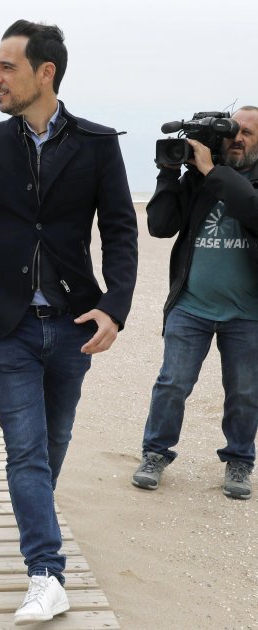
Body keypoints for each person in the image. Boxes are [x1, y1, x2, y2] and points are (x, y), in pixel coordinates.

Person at [0, 19, 138, 626]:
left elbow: (120, 229)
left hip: (74, 322)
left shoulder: (97, 144)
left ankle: (37, 525)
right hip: (6, 326)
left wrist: (115, 305)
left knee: (51, 445)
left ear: (45, 72)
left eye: (6, 66)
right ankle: (46, 572)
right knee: (26, 451)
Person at [132, 107, 258, 500]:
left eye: (248, 133)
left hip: (248, 312)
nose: (238, 138)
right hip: (191, 305)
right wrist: (168, 174)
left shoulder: (222, 177)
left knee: (245, 393)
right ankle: (155, 453)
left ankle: (239, 460)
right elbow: (160, 226)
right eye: (233, 130)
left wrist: (211, 171)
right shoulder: (199, 179)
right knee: (172, 385)